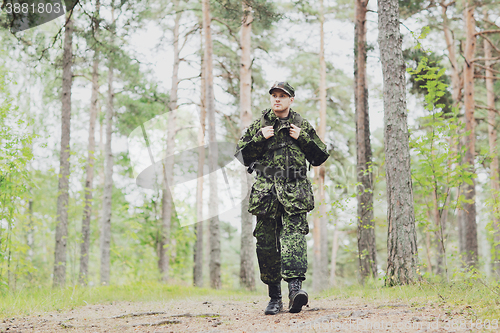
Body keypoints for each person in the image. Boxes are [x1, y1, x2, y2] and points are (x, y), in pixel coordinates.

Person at [235, 81, 329, 315]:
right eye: (274, 96)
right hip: (267, 193)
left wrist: (303, 138)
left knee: (293, 240)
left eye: (282, 96)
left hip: (295, 192)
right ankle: (274, 298)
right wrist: (259, 138)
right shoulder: (260, 124)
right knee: (267, 244)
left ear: (291, 100)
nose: (277, 99)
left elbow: (320, 157)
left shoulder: (301, 125)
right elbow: (241, 156)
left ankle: (295, 292)